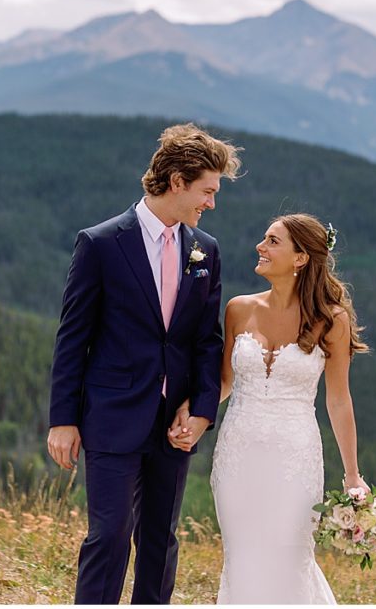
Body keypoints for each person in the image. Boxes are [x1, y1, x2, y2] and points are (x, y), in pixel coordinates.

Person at [47, 123, 241, 604]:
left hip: (174, 424)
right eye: (206, 191)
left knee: (160, 540)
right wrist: (63, 419)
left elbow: (205, 339)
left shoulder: (206, 250)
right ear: (177, 181)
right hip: (112, 417)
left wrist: (199, 411)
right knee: (109, 536)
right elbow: (73, 337)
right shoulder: (101, 243)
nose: (210, 203)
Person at [170, 213, 370, 604]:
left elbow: (338, 399)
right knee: (243, 559)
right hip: (237, 455)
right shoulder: (238, 309)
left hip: (294, 457)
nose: (260, 247)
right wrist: (192, 412)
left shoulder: (332, 319)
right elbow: (224, 382)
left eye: (272, 241)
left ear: (300, 258)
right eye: (264, 238)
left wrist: (352, 476)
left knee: (288, 558)